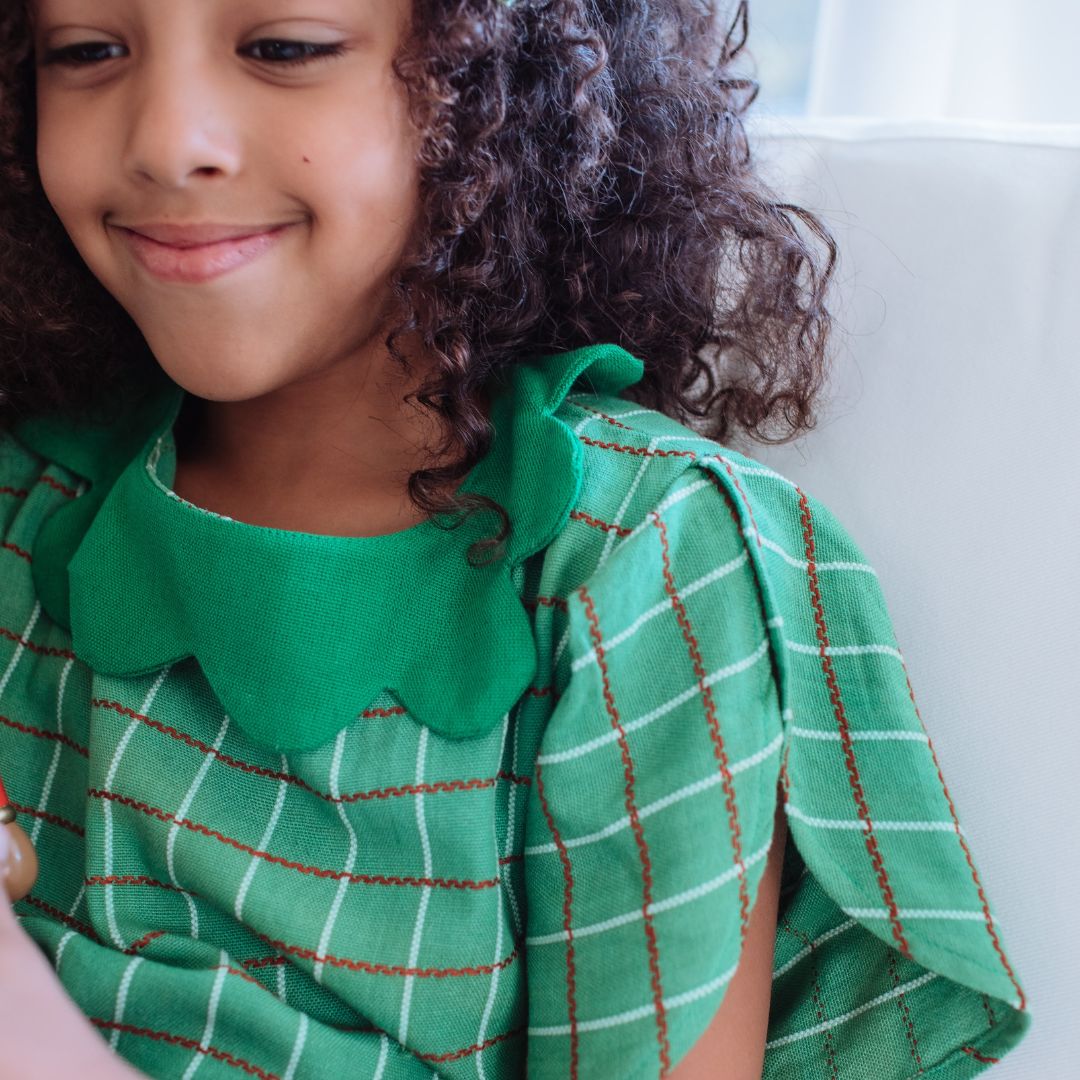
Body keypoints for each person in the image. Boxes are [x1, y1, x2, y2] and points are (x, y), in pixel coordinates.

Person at [0, 0, 1032, 1076]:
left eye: (286, 49)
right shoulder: (34, 493)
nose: (166, 142)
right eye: (86, 51)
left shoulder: (637, 559)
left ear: (503, 86)